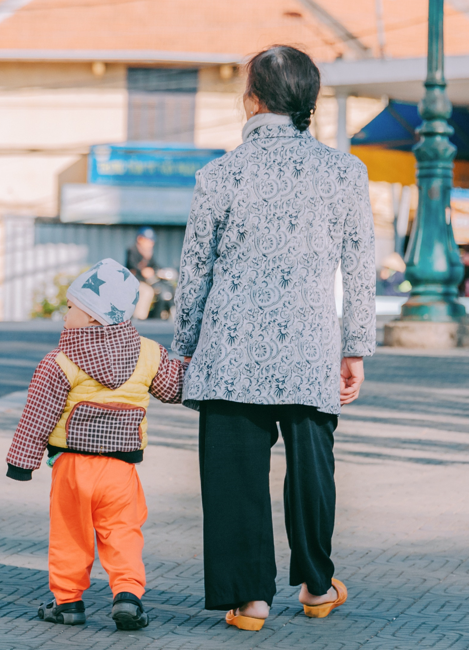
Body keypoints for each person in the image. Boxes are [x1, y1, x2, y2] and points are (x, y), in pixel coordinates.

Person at [173, 46, 376, 632]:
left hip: (229, 353)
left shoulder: (219, 174)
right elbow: (360, 268)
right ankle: (316, 585)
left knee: (234, 475)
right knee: (313, 471)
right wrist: (354, 348)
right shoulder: (345, 172)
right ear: (308, 101)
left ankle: (249, 601)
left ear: (253, 99)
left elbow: (196, 273)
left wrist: (184, 348)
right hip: (310, 350)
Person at [5, 258, 185, 631]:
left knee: (70, 533)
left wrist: (22, 462)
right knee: (123, 531)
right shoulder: (149, 354)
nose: (65, 313)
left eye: (71, 307)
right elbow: (173, 389)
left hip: (73, 468)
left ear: (92, 317)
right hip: (120, 471)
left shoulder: (60, 361)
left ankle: (68, 601)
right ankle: (128, 596)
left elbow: (37, 415)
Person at [126, 227, 158, 320]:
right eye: (148, 240)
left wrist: (155, 271)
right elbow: (131, 264)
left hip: (146, 281)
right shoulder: (132, 250)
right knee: (147, 291)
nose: (150, 243)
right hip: (134, 280)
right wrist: (143, 271)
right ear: (140, 239)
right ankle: (139, 318)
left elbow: (155, 265)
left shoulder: (149, 253)